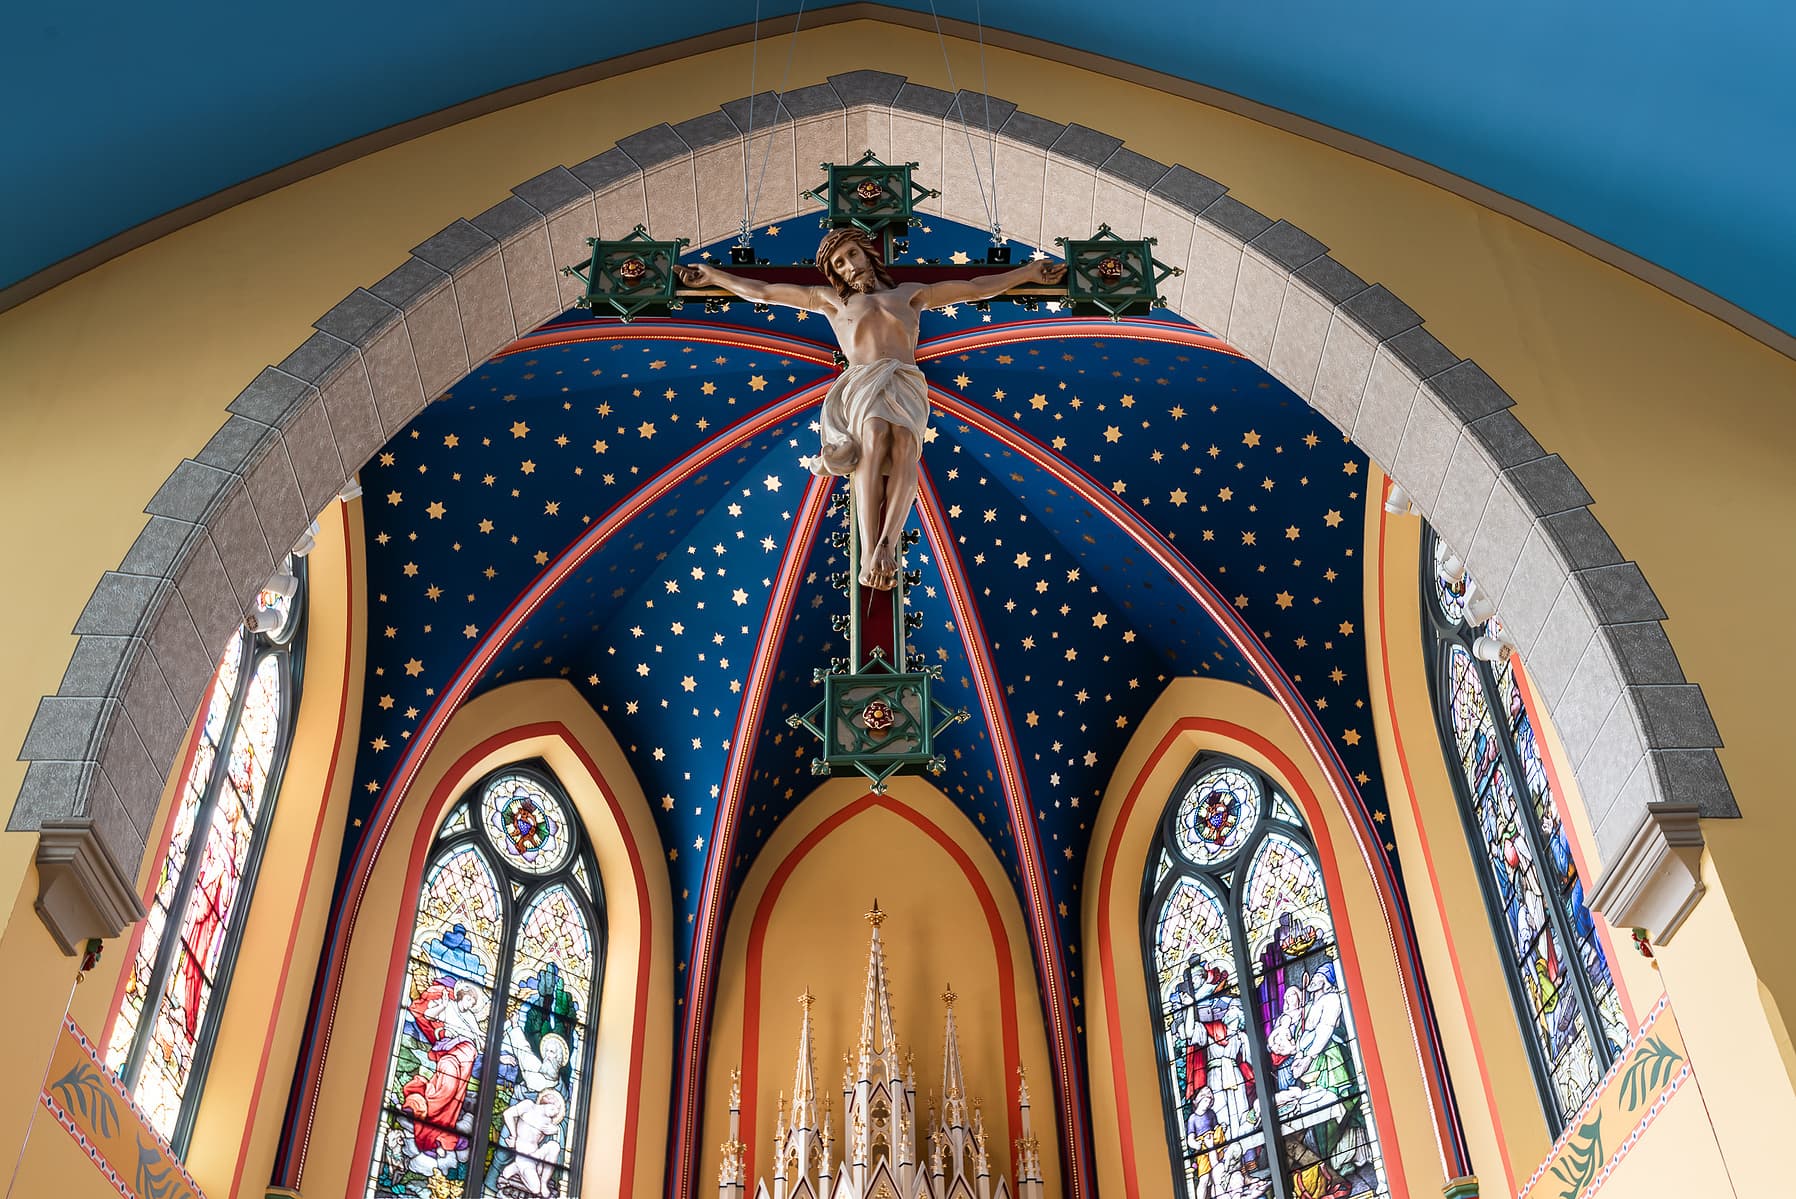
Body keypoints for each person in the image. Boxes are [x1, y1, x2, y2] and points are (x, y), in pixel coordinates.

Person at [678, 229, 1065, 588]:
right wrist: (714, 276)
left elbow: (974, 288)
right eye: (840, 265)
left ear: (866, 251)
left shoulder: (911, 293)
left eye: (851, 254)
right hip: (864, 381)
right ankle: (868, 551)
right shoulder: (832, 301)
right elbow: (763, 291)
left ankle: (887, 543)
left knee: (905, 450)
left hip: (905, 380)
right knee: (876, 434)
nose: (850, 266)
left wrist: (1027, 273)